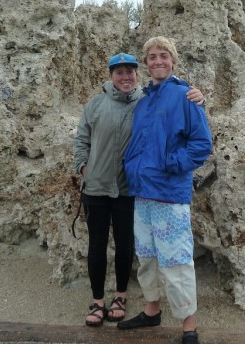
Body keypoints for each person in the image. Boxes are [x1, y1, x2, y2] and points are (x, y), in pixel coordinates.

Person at [73, 52, 204, 327]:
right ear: (111, 76)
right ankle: (105, 303)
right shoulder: (101, 104)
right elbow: (81, 138)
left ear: (137, 74)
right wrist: (84, 168)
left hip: (137, 189)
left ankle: (129, 300)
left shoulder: (145, 101)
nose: (125, 77)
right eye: (119, 72)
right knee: (116, 249)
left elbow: (194, 132)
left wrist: (199, 97)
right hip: (112, 189)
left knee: (142, 250)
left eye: (129, 72)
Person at [117, 37, 212, 344]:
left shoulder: (186, 96)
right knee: (147, 257)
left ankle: (189, 327)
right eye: (152, 57)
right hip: (142, 193)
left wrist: (172, 163)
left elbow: (202, 144)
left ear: (173, 61)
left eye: (163, 56)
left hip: (170, 194)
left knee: (177, 260)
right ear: (146, 63)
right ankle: (152, 311)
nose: (157, 61)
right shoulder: (144, 101)